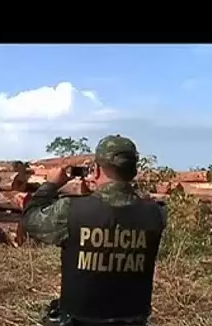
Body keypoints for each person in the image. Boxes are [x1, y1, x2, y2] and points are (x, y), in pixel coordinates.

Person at [22, 135, 167, 326]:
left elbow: (31, 220)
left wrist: (51, 184)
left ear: (96, 170)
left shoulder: (71, 210)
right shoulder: (157, 213)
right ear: (133, 172)